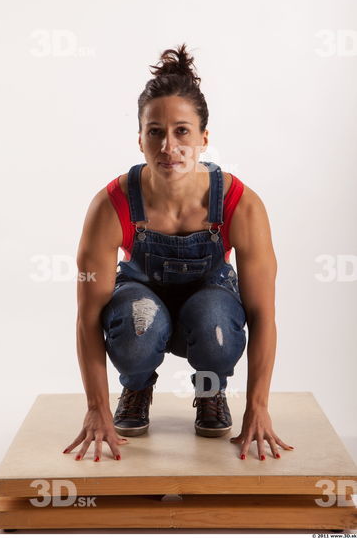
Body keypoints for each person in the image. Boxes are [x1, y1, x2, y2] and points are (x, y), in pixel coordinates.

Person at [62, 43, 294, 463]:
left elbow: (263, 317)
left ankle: (210, 392)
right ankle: (136, 387)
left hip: (210, 300)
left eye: (182, 131)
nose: (169, 146)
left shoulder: (241, 204)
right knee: (138, 325)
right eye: (155, 131)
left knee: (216, 329)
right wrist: (95, 407)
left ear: (204, 138)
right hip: (140, 298)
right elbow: (87, 318)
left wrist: (258, 407)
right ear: (140, 139)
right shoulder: (111, 204)